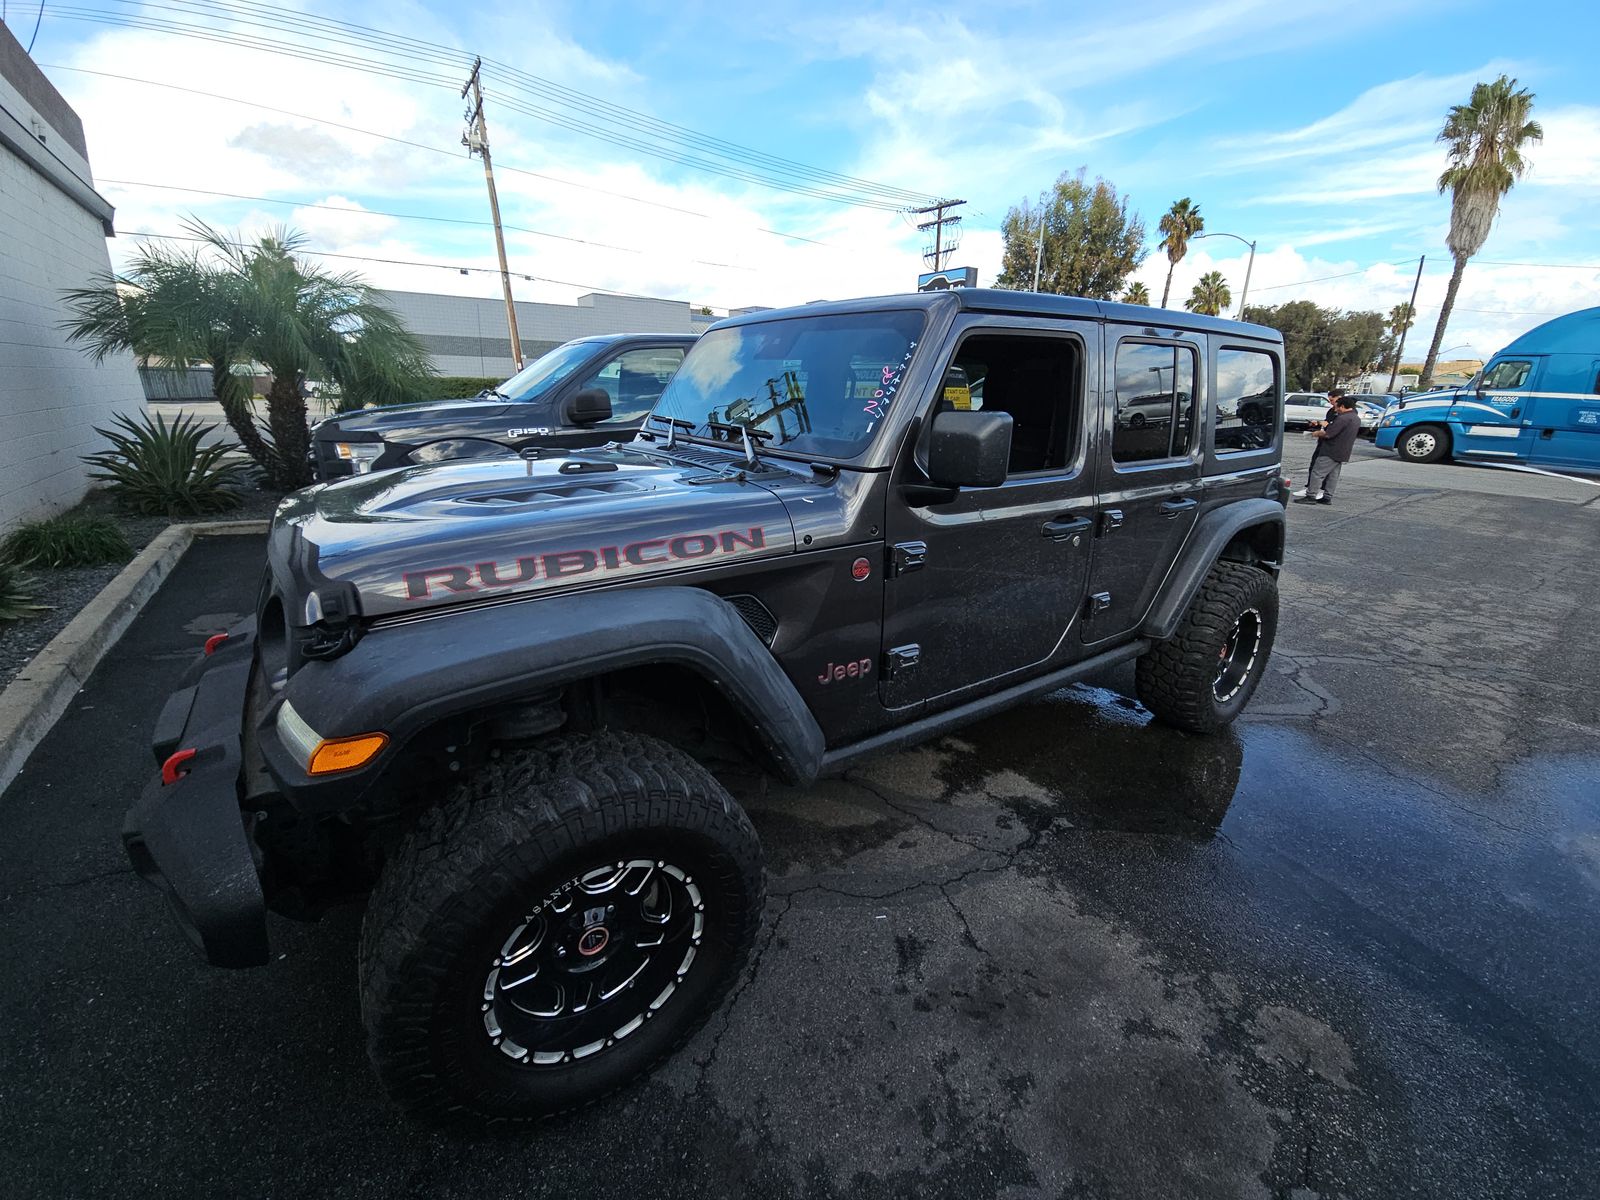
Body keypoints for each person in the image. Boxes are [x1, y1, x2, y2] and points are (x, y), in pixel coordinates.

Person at [1293, 391, 1360, 505]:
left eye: (1337, 407)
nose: (1336, 409)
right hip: (1343, 451)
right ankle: (1327, 496)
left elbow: (1329, 433)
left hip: (1330, 450)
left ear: (1343, 407)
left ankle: (1311, 496)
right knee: (1333, 475)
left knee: (1317, 472)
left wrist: (1317, 433)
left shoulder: (1342, 418)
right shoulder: (1355, 418)